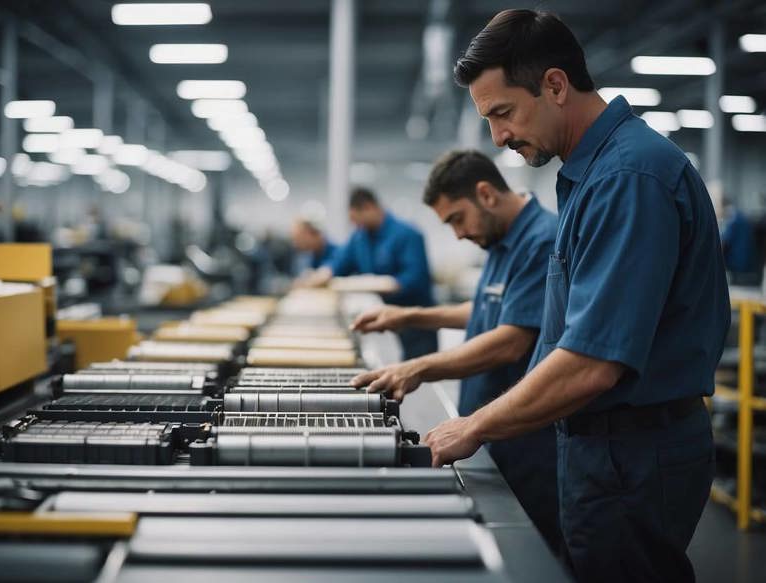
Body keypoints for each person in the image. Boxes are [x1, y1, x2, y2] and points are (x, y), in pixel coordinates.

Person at [419, 9, 730, 583]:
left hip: (629, 454)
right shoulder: (591, 177)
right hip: (604, 449)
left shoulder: (627, 179)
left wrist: (476, 425)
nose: (499, 137)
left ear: (555, 85)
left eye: (503, 113)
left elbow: (592, 361)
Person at [350, 149, 560, 550]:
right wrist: (409, 316)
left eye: (457, 220)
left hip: (525, 440)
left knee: (531, 552)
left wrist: (417, 367)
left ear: (486, 194)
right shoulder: (502, 241)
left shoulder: (540, 241)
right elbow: (484, 310)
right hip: (489, 428)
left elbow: (510, 341)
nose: (458, 234)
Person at [311, 187, 438, 359]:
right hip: (384, 319)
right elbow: (340, 262)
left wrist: (389, 284)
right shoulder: (360, 237)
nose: (357, 226)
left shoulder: (408, 234)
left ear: (369, 207)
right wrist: (323, 274)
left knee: (421, 375)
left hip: (416, 323)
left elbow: (416, 278)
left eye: (358, 220)